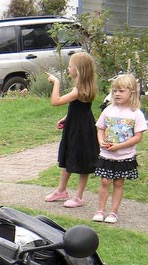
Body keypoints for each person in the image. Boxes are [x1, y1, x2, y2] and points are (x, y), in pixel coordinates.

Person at [44, 52, 99, 208]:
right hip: (77, 124)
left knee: (82, 160)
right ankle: (61, 190)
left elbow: (55, 101)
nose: (68, 68)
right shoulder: (87, 87)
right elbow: (80, 108)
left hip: (80, 129)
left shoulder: (78, 90)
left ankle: (78, 197)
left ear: (78, 70)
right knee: (69, 155)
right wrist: (67, 117)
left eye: (70, 66)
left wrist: (56, 82)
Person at [92, 73, 146, 224]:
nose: (117, 94)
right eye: (115, 91)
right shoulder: (108, 110)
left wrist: (119, 146)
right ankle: (100, 210)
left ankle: (113, 212)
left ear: (132, 92)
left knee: (118, 183)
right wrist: (101, 141)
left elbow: (137, 137)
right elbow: (100, 128)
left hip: (124, 156)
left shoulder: (136, 114)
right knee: (105, 181)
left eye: (121, 91)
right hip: (106, 155)